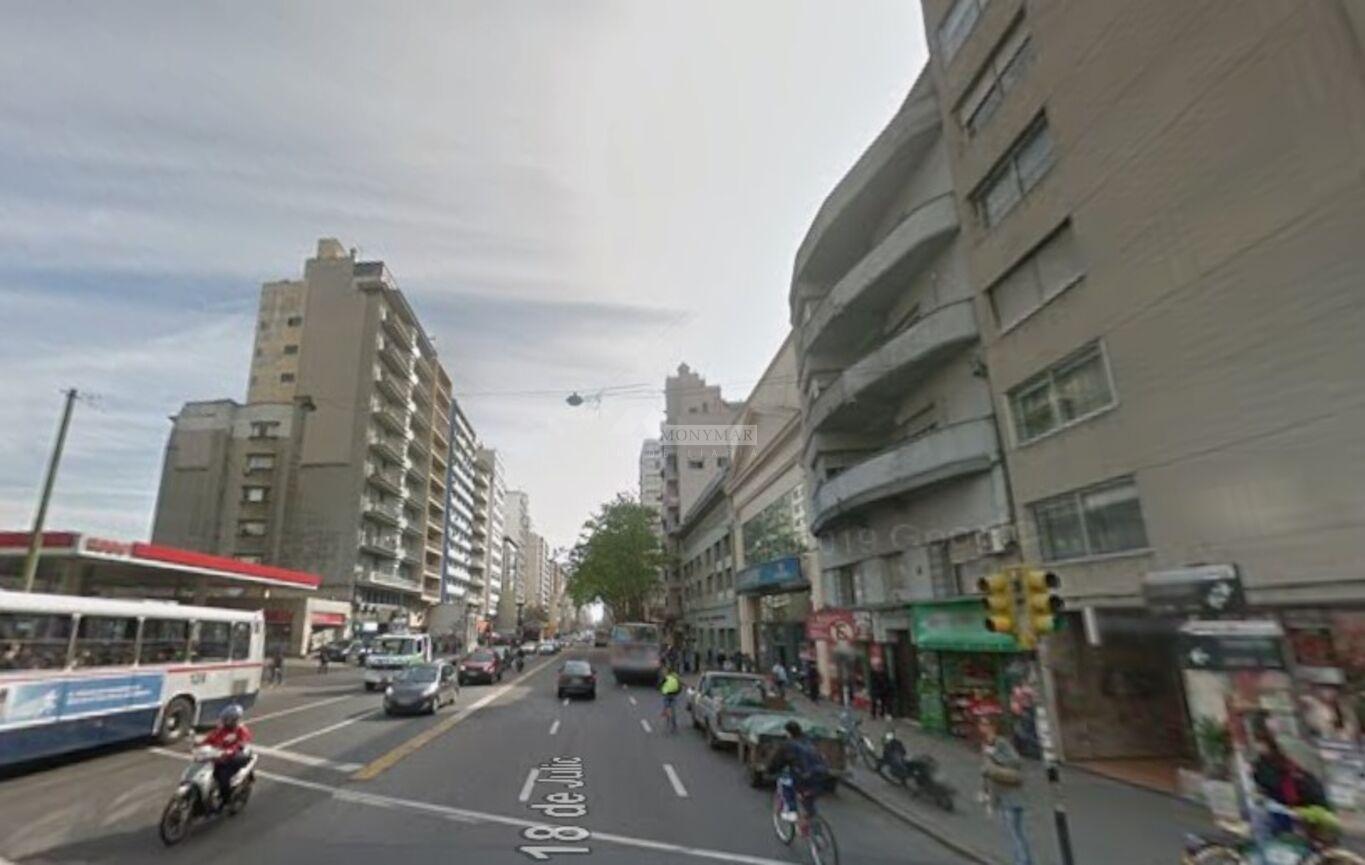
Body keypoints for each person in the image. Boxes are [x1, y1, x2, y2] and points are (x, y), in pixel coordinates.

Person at [979, 716, 1033, 865]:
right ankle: (1022, 861)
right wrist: (985, 793)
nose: (981, 727)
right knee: (1014, 833)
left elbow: (1015, 761)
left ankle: (1024, 862)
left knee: (1016, 833)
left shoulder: (1001, 742)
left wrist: (993, 757)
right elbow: (987, 773)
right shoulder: (987, 744)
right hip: (1001, 796)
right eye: (981, 724)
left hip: (1012, 796)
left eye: (984, 723)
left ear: (993, 727)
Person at [765, 720, 833, 828]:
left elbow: (777, 762)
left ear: (788, 733)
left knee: (785, 783)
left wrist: (769, 771)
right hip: (822, 775)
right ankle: (815, 830)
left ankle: (791, 813)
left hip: (805, 778)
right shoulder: (809, 741)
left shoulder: (787, 745)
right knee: (808, 801)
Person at [201, 704, 253, 811]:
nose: (225, 721)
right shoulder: (221, 729)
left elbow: (241, 744)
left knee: (223, 779)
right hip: (218, 757)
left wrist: (231, 751)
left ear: (234, 720)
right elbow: (210, 738)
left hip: (233, 759)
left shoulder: (241, 730)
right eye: (224, 719)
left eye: (227, 719)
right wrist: (199, 745)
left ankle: (226, 800)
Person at [660, 667, 683, 732]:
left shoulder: (666, 677)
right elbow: (680, 686)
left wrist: (661, 690)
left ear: (668, 672)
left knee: (666, 706)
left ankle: (666, 713)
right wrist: (677, 693)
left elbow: (661, 684)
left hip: (667, 694)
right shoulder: (676, 677)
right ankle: (674, 724)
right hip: (674, 694)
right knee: (673, 709)